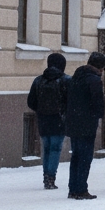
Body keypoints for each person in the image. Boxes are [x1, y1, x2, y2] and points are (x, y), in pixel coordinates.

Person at [65, 52, 105, 200]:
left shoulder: (76, 77)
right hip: (87, 123)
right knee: (85, 157)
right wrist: (98, 114)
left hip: (73, 122)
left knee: (76, 156)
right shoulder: (94, 80)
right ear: (101, 67)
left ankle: (73, 188)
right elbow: (97, 103)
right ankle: (81, 188)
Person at [26, 52, 69, 190]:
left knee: (47, 148)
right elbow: (71, 101)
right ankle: (51, 177)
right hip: (59, 119)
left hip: (43, 119)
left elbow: (31, 101)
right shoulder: (66, 80)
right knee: (56, 148)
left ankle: (46, 176)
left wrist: (41, 110)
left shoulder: (38, 80)